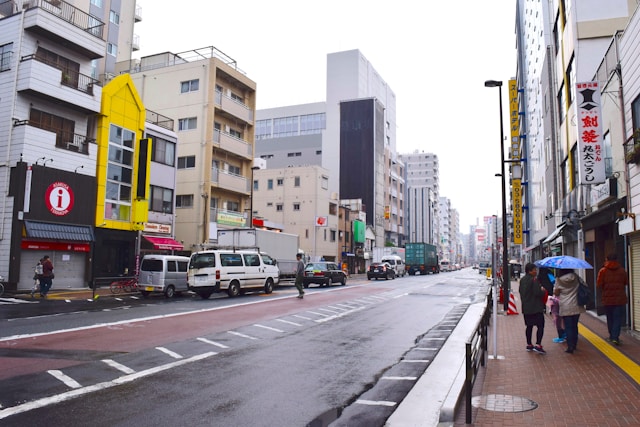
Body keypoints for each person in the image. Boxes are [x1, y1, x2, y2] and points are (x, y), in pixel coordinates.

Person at [596, 253, 628, 345]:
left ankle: (611, 336)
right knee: (617, 318)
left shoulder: (603, 271)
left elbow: (599, 284)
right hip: (619, 299)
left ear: (607, 259)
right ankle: (615, 337)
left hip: (607, 299)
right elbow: (626, 282)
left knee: (610, 318)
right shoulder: (622, 270)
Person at [554, 268, 586, 353]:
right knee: (574, 326)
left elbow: (556, 293)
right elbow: (584, 285)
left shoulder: (559, 280)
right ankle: (574, 344)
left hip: (565, 306)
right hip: (576, 305)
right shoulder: (576, 277)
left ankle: (570, 346)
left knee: (568, 327)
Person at [519, 262, 546, 354]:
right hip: (536, 307)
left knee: (529, 326)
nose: (536, 271)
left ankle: (529, 344)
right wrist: (542, 290)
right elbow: (537, 292)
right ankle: (538, 345)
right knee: (540, 326)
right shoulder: (534, 280)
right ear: (530, 271)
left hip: (526, 308)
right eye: (534, 270)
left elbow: (521, 291)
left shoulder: (522, 280)